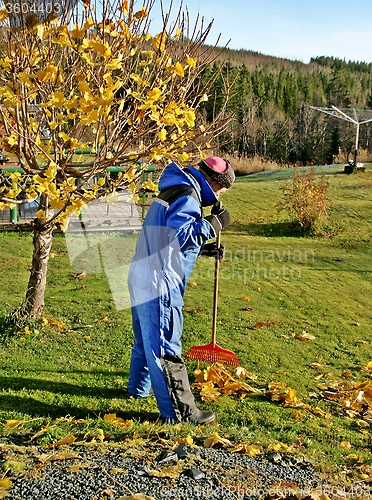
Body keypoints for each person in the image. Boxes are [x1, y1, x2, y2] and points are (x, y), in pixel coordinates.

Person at [127, 156, 235, 424]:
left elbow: (166, 236)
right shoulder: (188, 196)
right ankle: (181, 414)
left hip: (141, 272)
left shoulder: (173, 187)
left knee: (145, 339)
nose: (220, 195)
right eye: (221, 189)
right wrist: (213, 226)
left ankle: (138, 389)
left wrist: (204, 248)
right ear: (213, 183)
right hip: (159, 281)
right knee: (164, 345)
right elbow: (179, 236)